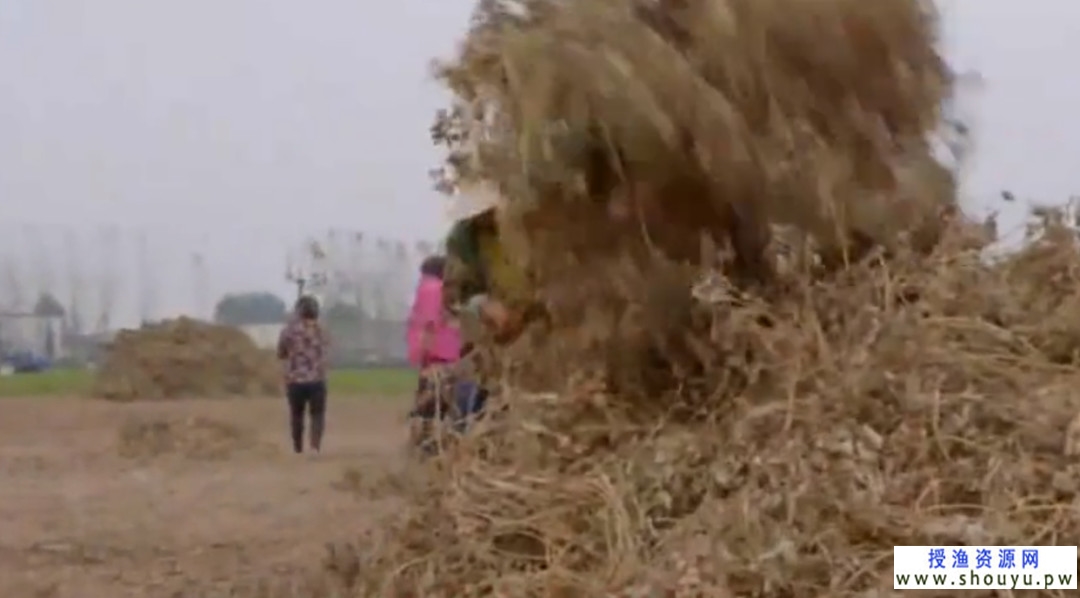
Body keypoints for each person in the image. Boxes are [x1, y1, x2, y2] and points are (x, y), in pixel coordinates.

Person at [406, 255, 462, 439]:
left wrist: (422, 353)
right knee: (444, 401)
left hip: (433, 354)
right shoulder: (442, 290)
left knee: (429, 401)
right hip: (449, 353)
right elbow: (436, 321)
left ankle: (424, 440)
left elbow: (426, 323)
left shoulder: (426, 289)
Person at [276, 295, 329, 454]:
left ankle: (298, 448)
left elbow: (281, 353)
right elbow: (327, 350)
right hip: (317, 379)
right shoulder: (321, 330)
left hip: (295, 380)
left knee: (296, 415)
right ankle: (315, 447)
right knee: (317, 415)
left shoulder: (288, 331)